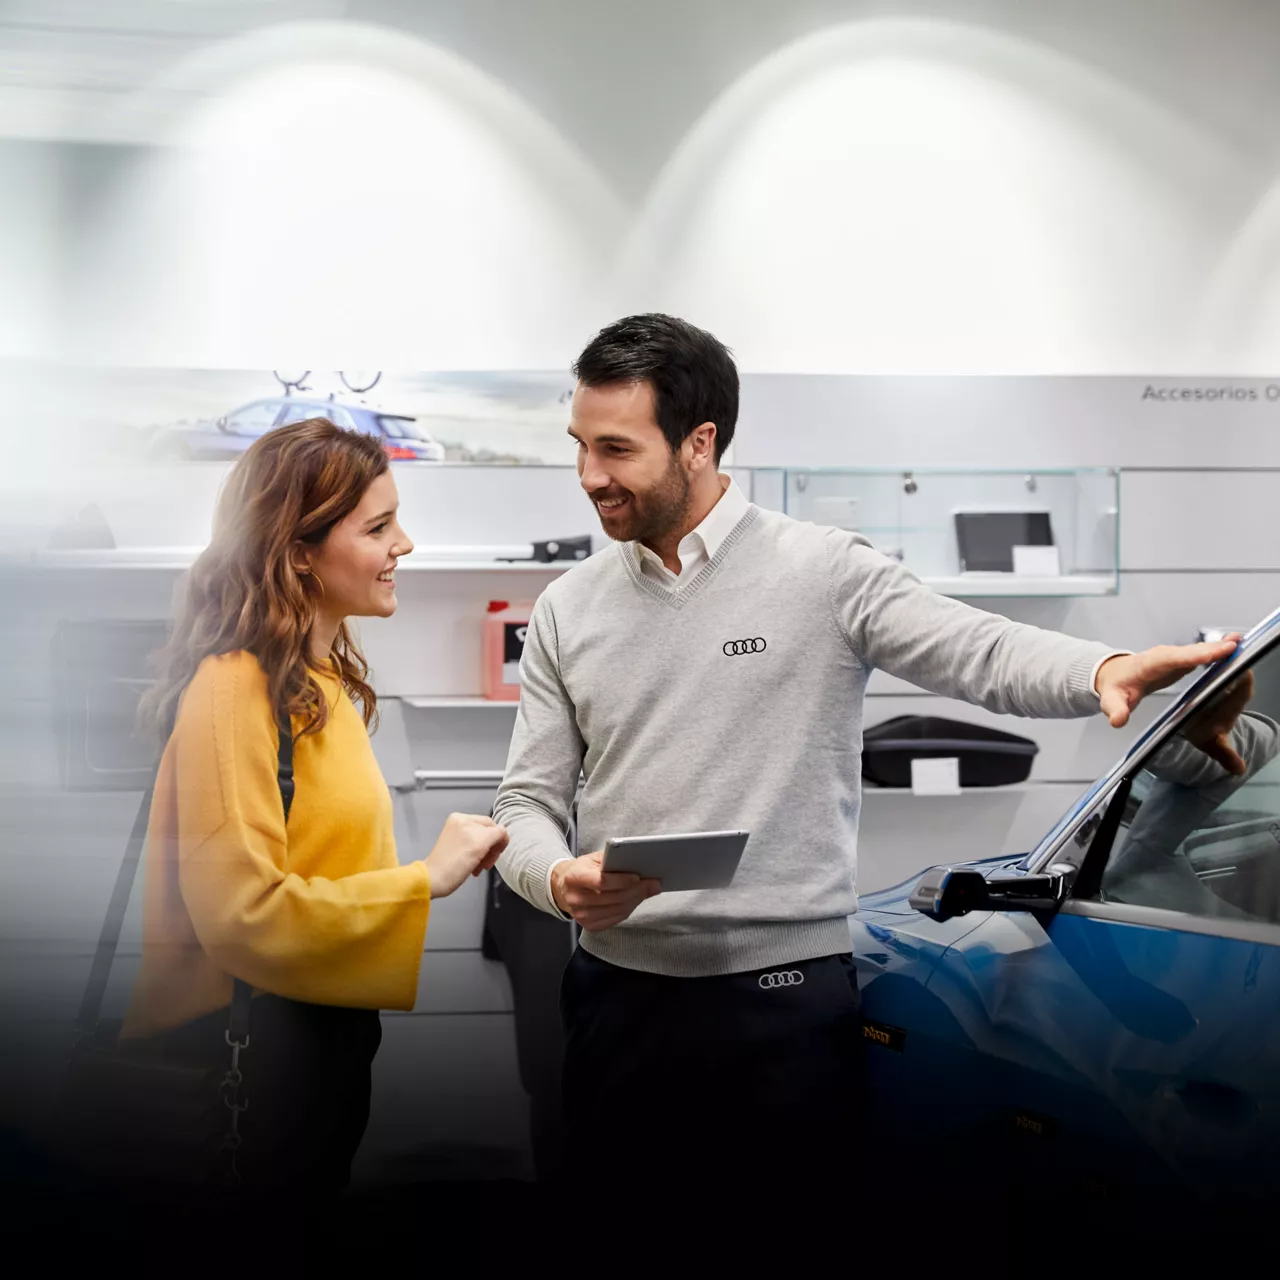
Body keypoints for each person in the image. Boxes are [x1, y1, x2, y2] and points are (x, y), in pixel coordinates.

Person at [491, 313, 1241, 1205]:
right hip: (615, 999)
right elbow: (524, 803)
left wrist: (1104, 669)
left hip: (784, 1002)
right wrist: (555, 879)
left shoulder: (822, 571)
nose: (589, 477)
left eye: (615, 449)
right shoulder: (570, 607)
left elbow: (981, 650)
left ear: (698, 443)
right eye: (578, 445)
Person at [119, 418, 508, 1224]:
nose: (405, 543)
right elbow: (241, 914)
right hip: (255, 1052)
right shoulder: (235, 686)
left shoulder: (317, 681)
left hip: (311, 1045)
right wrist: (424, 880)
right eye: (378, 526)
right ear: (298, 550)